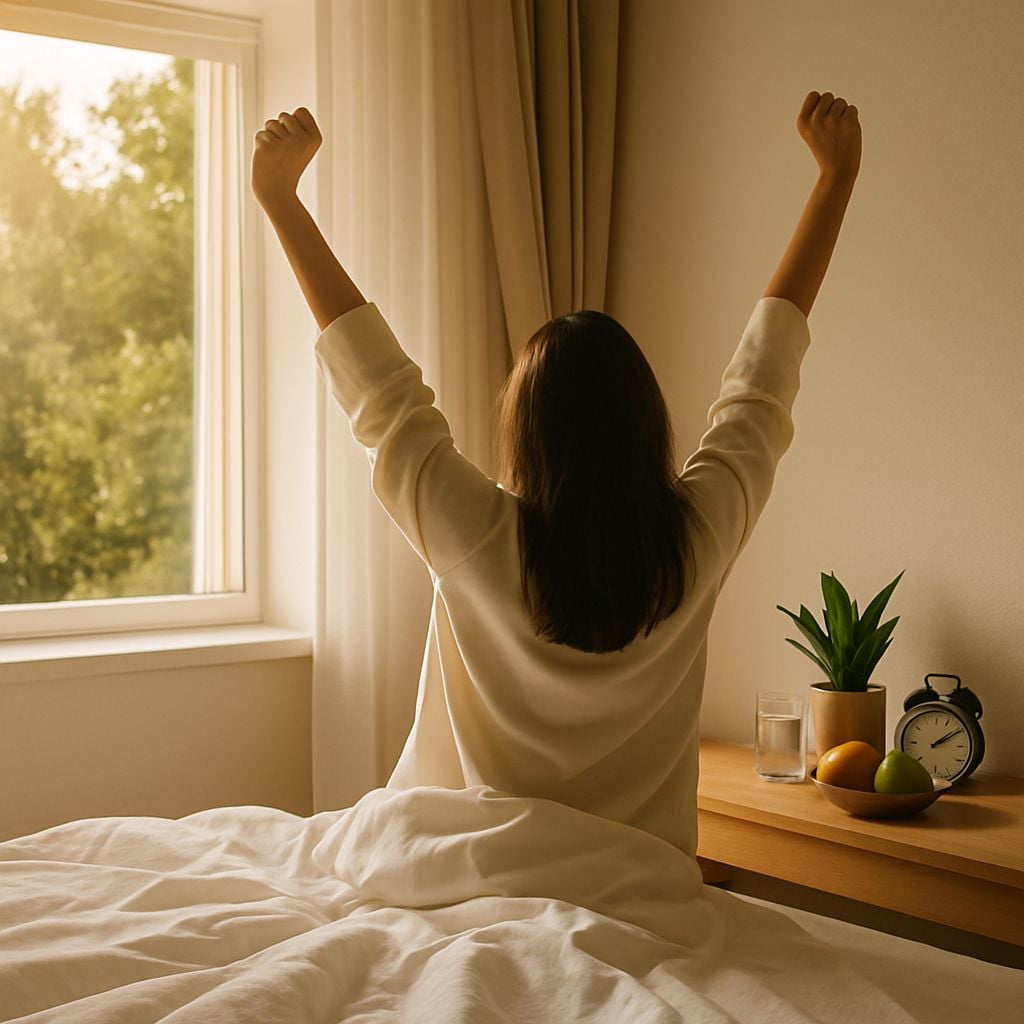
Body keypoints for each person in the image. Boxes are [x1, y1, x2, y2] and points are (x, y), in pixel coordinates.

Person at [251, 91, 861, 854]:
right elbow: (763, 383)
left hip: (465, 877)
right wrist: (834, 182)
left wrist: (280, 199)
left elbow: (381, 391)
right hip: (643, 890)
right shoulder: (697, 540)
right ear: (646, 422)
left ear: (527, 432)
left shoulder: (474, 535)